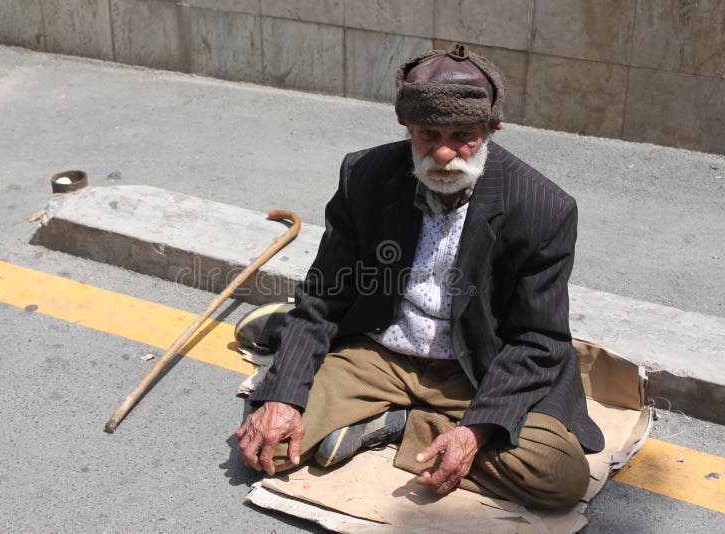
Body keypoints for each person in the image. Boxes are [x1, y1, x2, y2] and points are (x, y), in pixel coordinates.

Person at [235, 43, 604, 509]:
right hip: (380, 350)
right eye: (429, 134)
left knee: (561, 478)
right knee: (270, 448)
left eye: (464, 135)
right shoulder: (364, 175)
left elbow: (539, 338)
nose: (445, 153)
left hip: (477, 368)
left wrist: (474, 430)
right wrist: (283, 398)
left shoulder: (543, 207)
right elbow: (326, 295)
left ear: (493, 129)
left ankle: (398, 425)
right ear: (406, 126)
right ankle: (298, 346)